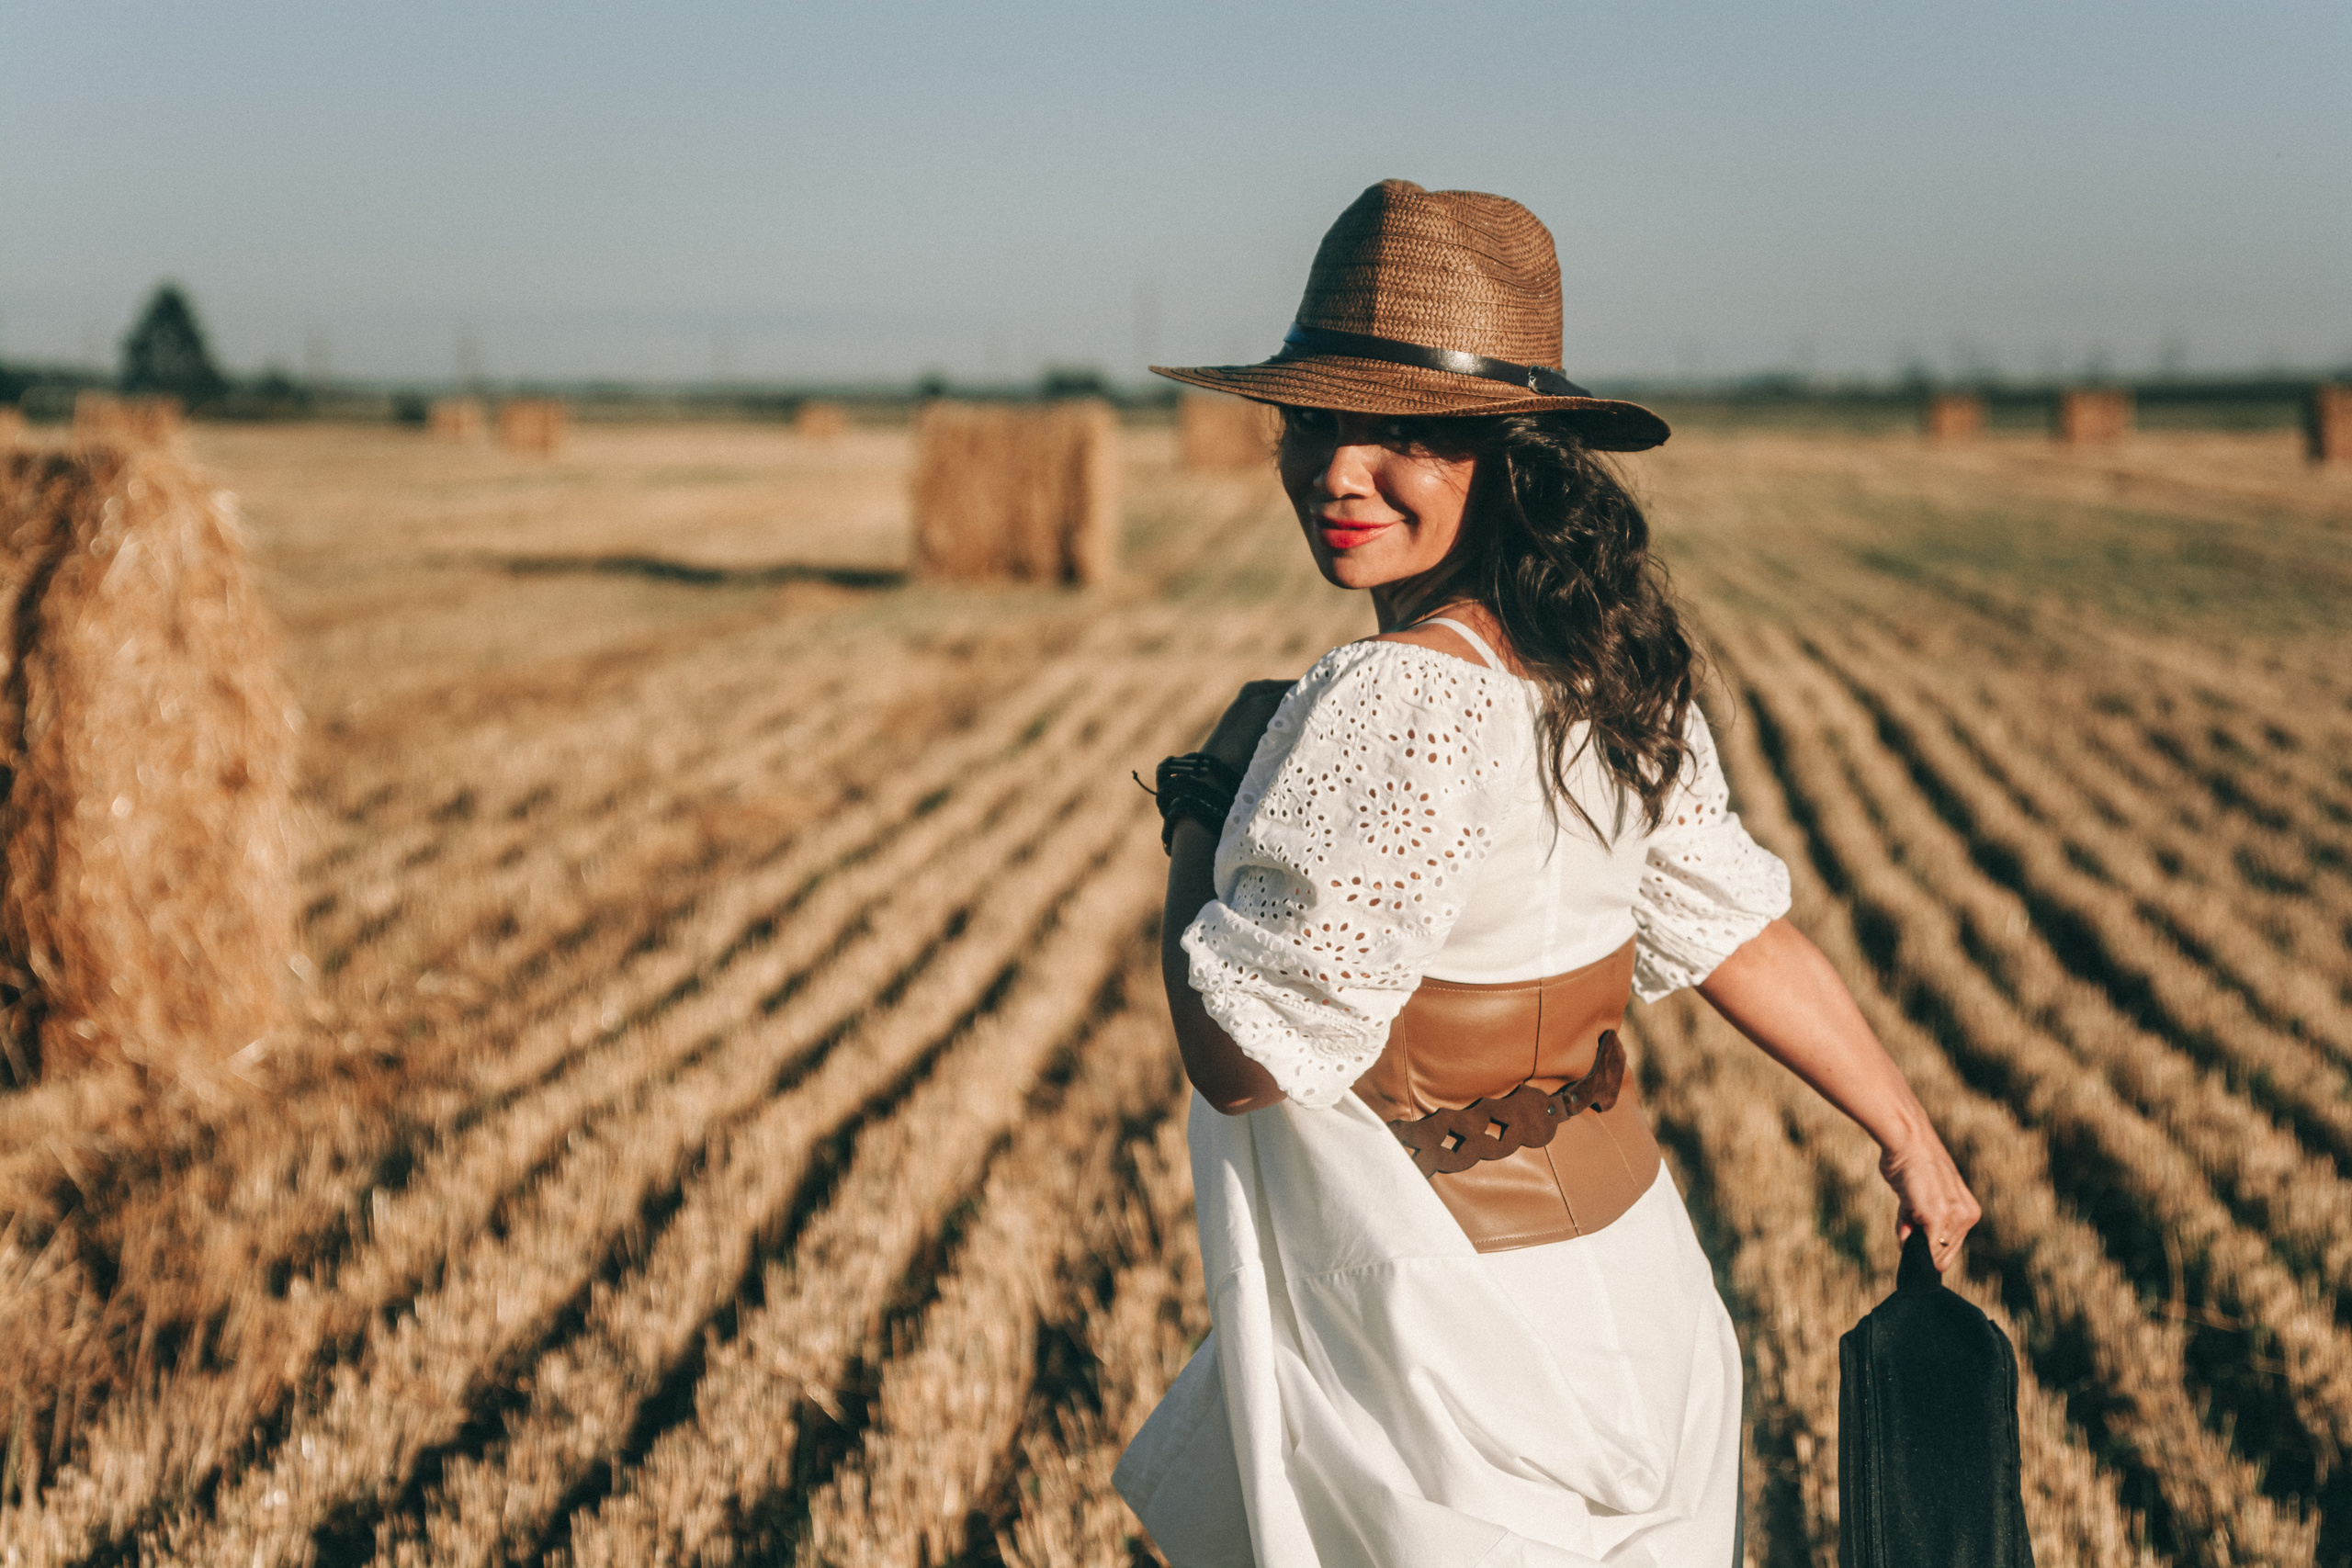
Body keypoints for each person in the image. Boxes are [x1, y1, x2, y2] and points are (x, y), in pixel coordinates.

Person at [1113, 181, 1981, 1568]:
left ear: (1506, 459)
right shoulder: (1602, 671)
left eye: (1403, 434)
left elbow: (1238, 1056)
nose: (1339, 472)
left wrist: (1199, 806)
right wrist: (1909, 1132)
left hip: (1451, 1341)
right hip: (1638, 1297)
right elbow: (1737, 931)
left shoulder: (1397, 695)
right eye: (1319, 423)